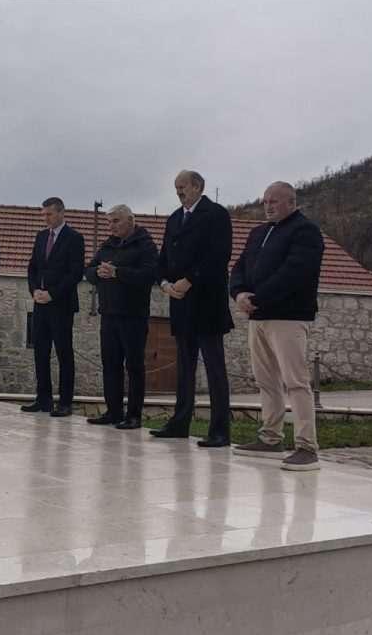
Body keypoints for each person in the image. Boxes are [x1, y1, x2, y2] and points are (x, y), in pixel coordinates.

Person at [230, 182, 325, 472]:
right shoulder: (258, 233)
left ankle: (307, 447)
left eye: (274, 201)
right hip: (258, 317)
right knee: (266, 380)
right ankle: (270, 438)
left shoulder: (305, 231)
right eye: (265, 201)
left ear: (291, 202)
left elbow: (294, 273)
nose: (268, 206)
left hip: (288, 317)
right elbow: (240, 267)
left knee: (296, 382)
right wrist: (239, 293)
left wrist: (257, 298)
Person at [152, 170, 234, 447]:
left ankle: (220, 430)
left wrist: (189, 280)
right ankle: (180, 423)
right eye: (176, 187)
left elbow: (219, 255)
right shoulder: (175, 218)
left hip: (207, 303)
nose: (178, 192)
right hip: (180, 303)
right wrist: (165, 284)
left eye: (183, 186)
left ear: (198, 186)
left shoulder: (216, 215)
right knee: (184, 368)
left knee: (214, 369)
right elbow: (163, 259)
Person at [83, 204, 158, 429]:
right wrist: (98, 272)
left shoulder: (145, 245)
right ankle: (113, 411)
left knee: (134, 366)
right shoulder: (107, 245)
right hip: (109, 313)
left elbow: (149, 275)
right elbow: (88, 270)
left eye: (116, 221)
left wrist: (118, 272)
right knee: (110, 364)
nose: (111, 226)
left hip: (133, 315)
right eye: (108, 222)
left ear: (130, 220)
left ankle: (134, 415)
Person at [22, 197, 85, 417]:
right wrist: (34, 291)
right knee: (40, 351)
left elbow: (75, 272)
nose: (45, 218)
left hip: (61, 305)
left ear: (60, 213)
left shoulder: (74, 238)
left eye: (49, 214)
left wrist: (52, 294)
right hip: (40, 304)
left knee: (63, 353)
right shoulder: (41, 236)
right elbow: (32, 268)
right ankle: (43, 399)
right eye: (43, 214)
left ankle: (65, 402)